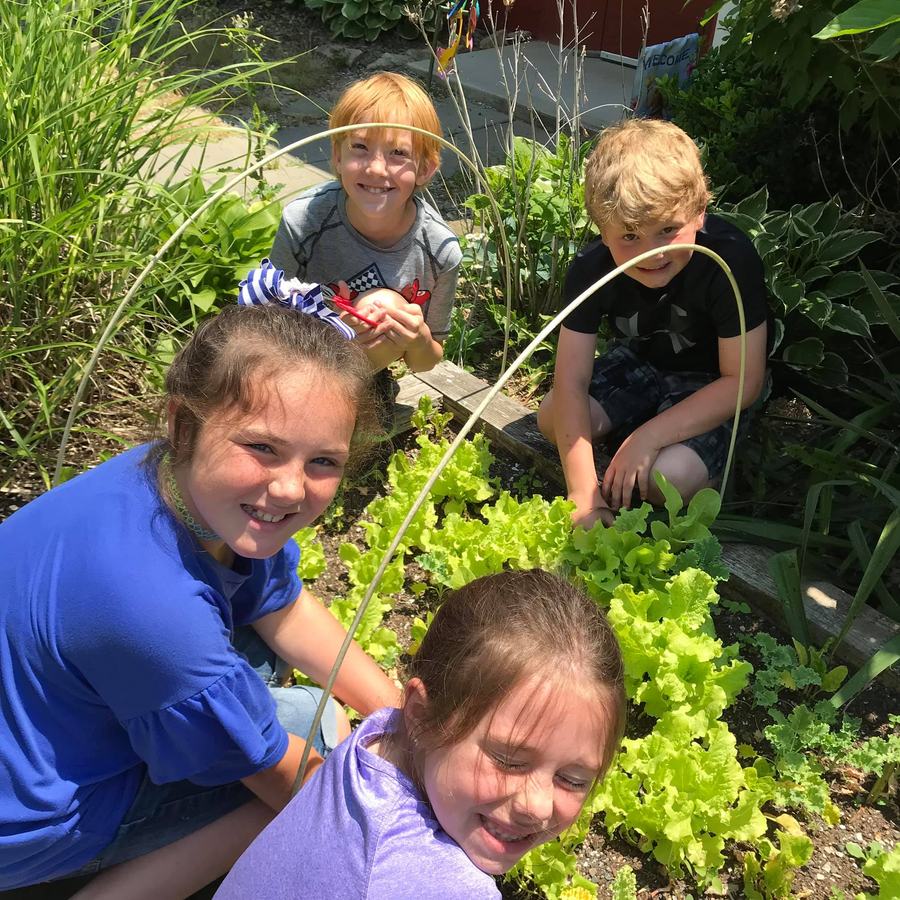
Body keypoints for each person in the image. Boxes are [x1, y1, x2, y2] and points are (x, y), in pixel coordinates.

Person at [0, 302, 400, 897]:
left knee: (274, 682)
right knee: (314, 747)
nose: (291, 486)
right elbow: (283, 776)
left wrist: (401, 718)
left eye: (323, 461)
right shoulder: (152, 609)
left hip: (35, 726)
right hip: (31, 820)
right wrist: (397, 811)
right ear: (182, 423)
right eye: (262, 447)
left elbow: (283, 606)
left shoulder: (172, 481)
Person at [215, 569, 626, 900]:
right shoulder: (449, 889)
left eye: (573, 780)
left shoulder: (376, 742)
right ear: (421, 716)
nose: (537, 806)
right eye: (508, 761)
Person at [538, 118, 770, 529]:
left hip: (712, 382)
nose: (652, 254)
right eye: (629, 236)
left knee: (668, 479)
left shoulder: (730, 261)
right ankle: (631, 448)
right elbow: (570, 381)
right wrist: (582, 494)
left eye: (667, 229)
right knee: (550, 415)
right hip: (640, 362)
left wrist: (649, 437)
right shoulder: (590, 270)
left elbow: (743, 382)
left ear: (699, 213)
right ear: (601, 230)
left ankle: (696, 467)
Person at [267, 71, 462, 375]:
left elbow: (424, 362)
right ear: (337, 156)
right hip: (299, 361)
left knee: (387, 304)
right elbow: (266, 318)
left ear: (425, 169)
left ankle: (354, 401)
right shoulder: (305, 220)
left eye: (398, 153)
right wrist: (333, 331)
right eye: (360, 147)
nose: (375, 168)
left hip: (366, 372)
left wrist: (419, 337)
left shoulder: (440, 250)